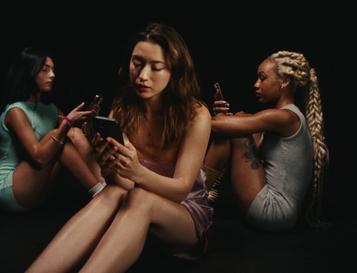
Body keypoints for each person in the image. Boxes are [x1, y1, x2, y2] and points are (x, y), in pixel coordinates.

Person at [26, 23, 213, 272]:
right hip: (133, 218)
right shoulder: (123, 110)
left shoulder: (196, 114)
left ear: (175, 72)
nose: (143, 75)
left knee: (140, 198)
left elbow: (180, 191)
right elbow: (121, 187)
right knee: (113, 193)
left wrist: (136, 172)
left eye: (156, 67)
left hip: (184, 219)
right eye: (137, 63)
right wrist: (108, 169)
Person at [205, 51, 329, 231]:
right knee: (237, 125)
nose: (256, 85)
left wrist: (215, 118)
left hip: (272, 211)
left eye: (262, 79)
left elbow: (219, 126)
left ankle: (196, 192)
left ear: (284, 81)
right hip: (281, 216)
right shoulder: (283, 120)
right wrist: (223, 119)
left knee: (237, 126)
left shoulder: (285, 117)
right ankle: (202, 190)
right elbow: (226, 127)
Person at [0, 47, 106, 212]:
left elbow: (74, 136)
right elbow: (38, 158)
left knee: (72, 133)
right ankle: (100, 194)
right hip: (13, 190)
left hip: (41, 189)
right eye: (45, 70)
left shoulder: (50, 108)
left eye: (53, 70)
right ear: (29, 72)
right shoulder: (15, 111)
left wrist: (87, 123)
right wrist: (66, 123)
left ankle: (104, 184)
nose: (52, 75)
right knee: (57, 135)